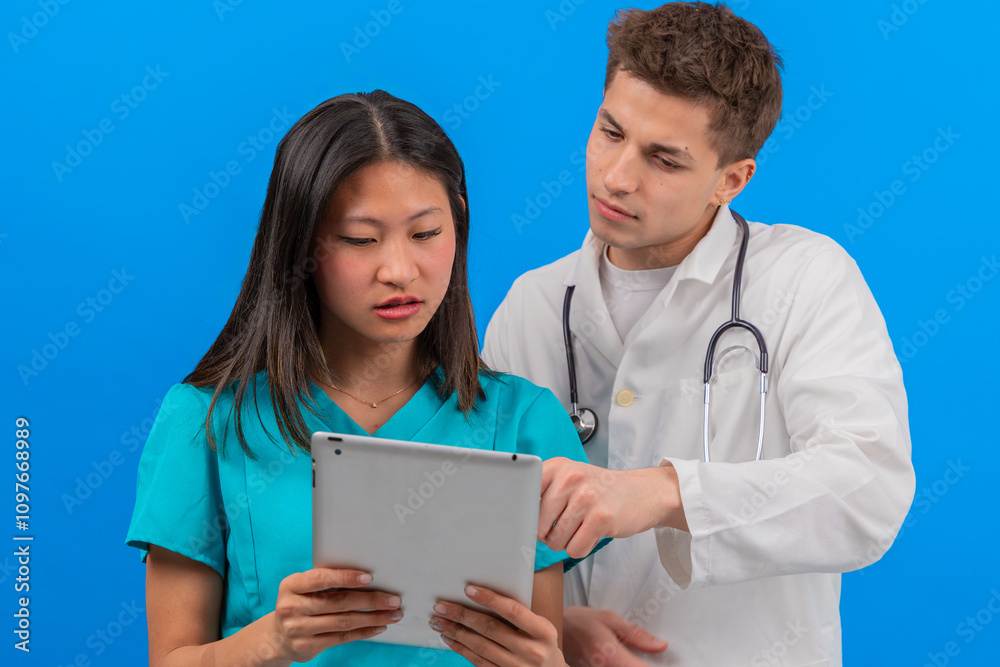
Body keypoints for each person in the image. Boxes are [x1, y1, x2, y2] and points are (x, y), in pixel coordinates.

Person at [481, 3, 915, 666]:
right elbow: (482, 529)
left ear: (731, 180)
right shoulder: (534, 307)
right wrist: (560, 621)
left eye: (664, 159)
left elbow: (867, 491)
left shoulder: (805, 279)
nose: (618, 176)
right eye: (610, 131)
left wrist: (659, 492)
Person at [126, 90, 583, 667]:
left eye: (425, 234)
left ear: (459, 221)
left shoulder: (525, 425)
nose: (398, 270)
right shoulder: (208, 423)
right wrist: (269, 641)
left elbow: (539, 643)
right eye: (359, 240)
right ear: (302, 243)